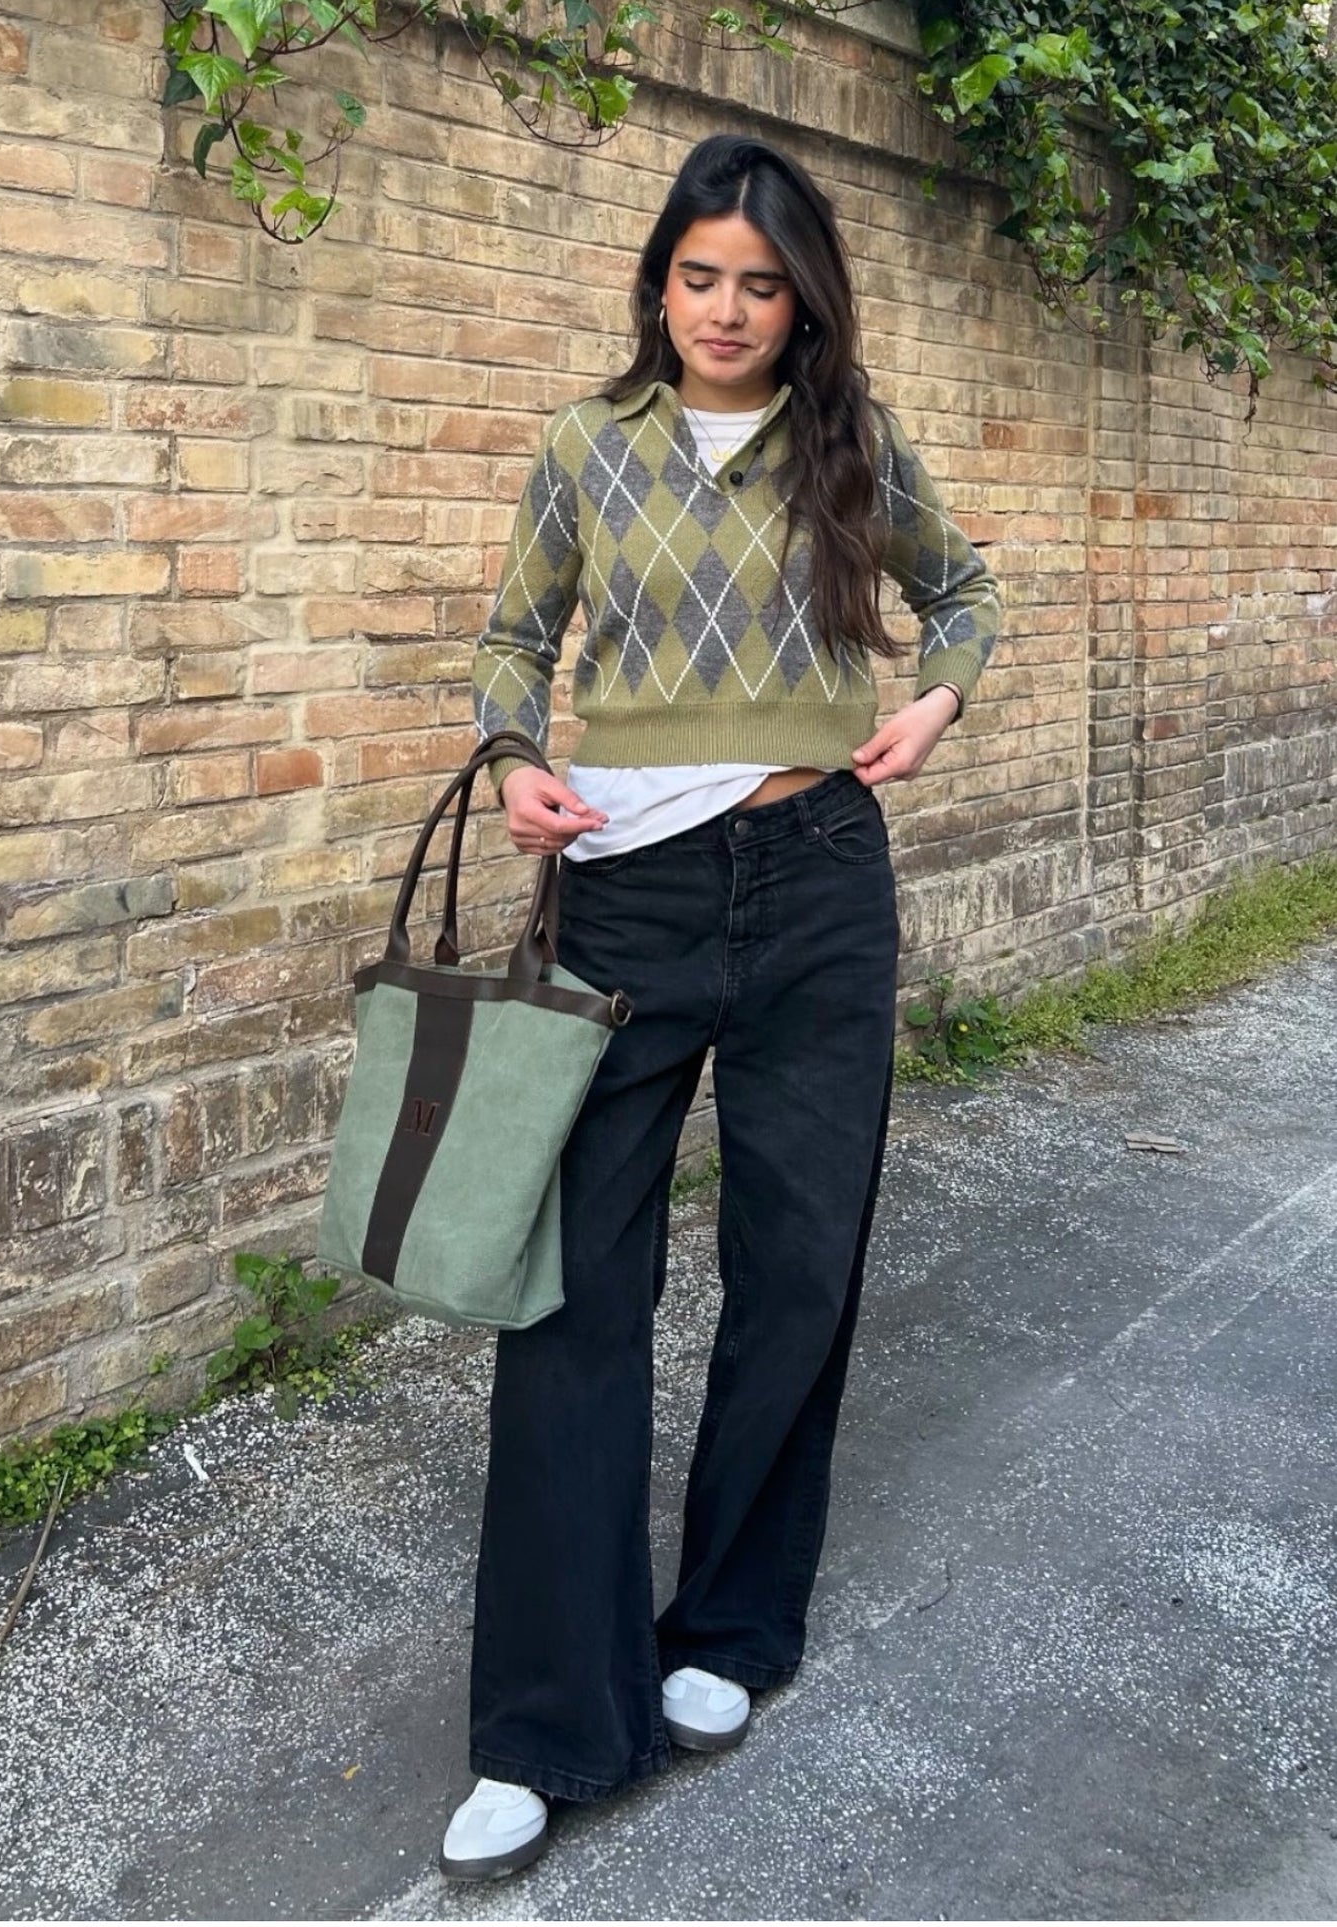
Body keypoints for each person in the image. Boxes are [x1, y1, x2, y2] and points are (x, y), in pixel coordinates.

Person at [440, 132, 1001, 1879]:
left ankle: (730, 1629)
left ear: (801, 300)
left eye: (761, 284)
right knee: (570, 1290)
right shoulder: (585, 447)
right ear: (658, 283)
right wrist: (514, 757)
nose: (728, 309)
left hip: (817, 878)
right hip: (625, 896)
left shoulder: (847, 441)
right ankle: (545, 1720)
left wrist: (934, 705)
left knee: (798, 1266)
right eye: (700, 276)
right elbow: (512, 640)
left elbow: (963, 592)